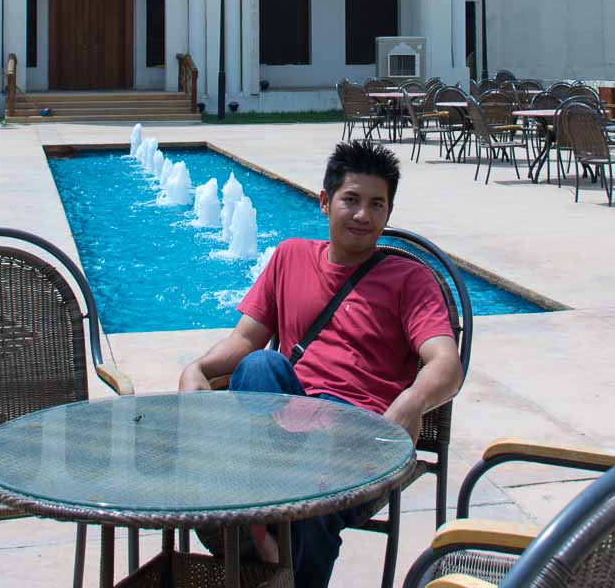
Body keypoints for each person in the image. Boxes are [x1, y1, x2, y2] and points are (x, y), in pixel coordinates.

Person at [179, 138, 464, 588]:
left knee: (309, 484)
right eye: (351, 200)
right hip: (285, 435)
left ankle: (266, 540)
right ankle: (268, 536)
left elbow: (446, 364)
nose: (363, 216)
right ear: (324, 202)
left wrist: (411, 402)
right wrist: (197, 368)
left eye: (377, 205)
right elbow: (244, 339)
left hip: (356, 441)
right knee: (258, 368)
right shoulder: (290, 256)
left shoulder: (411, 279)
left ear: (388, 214)